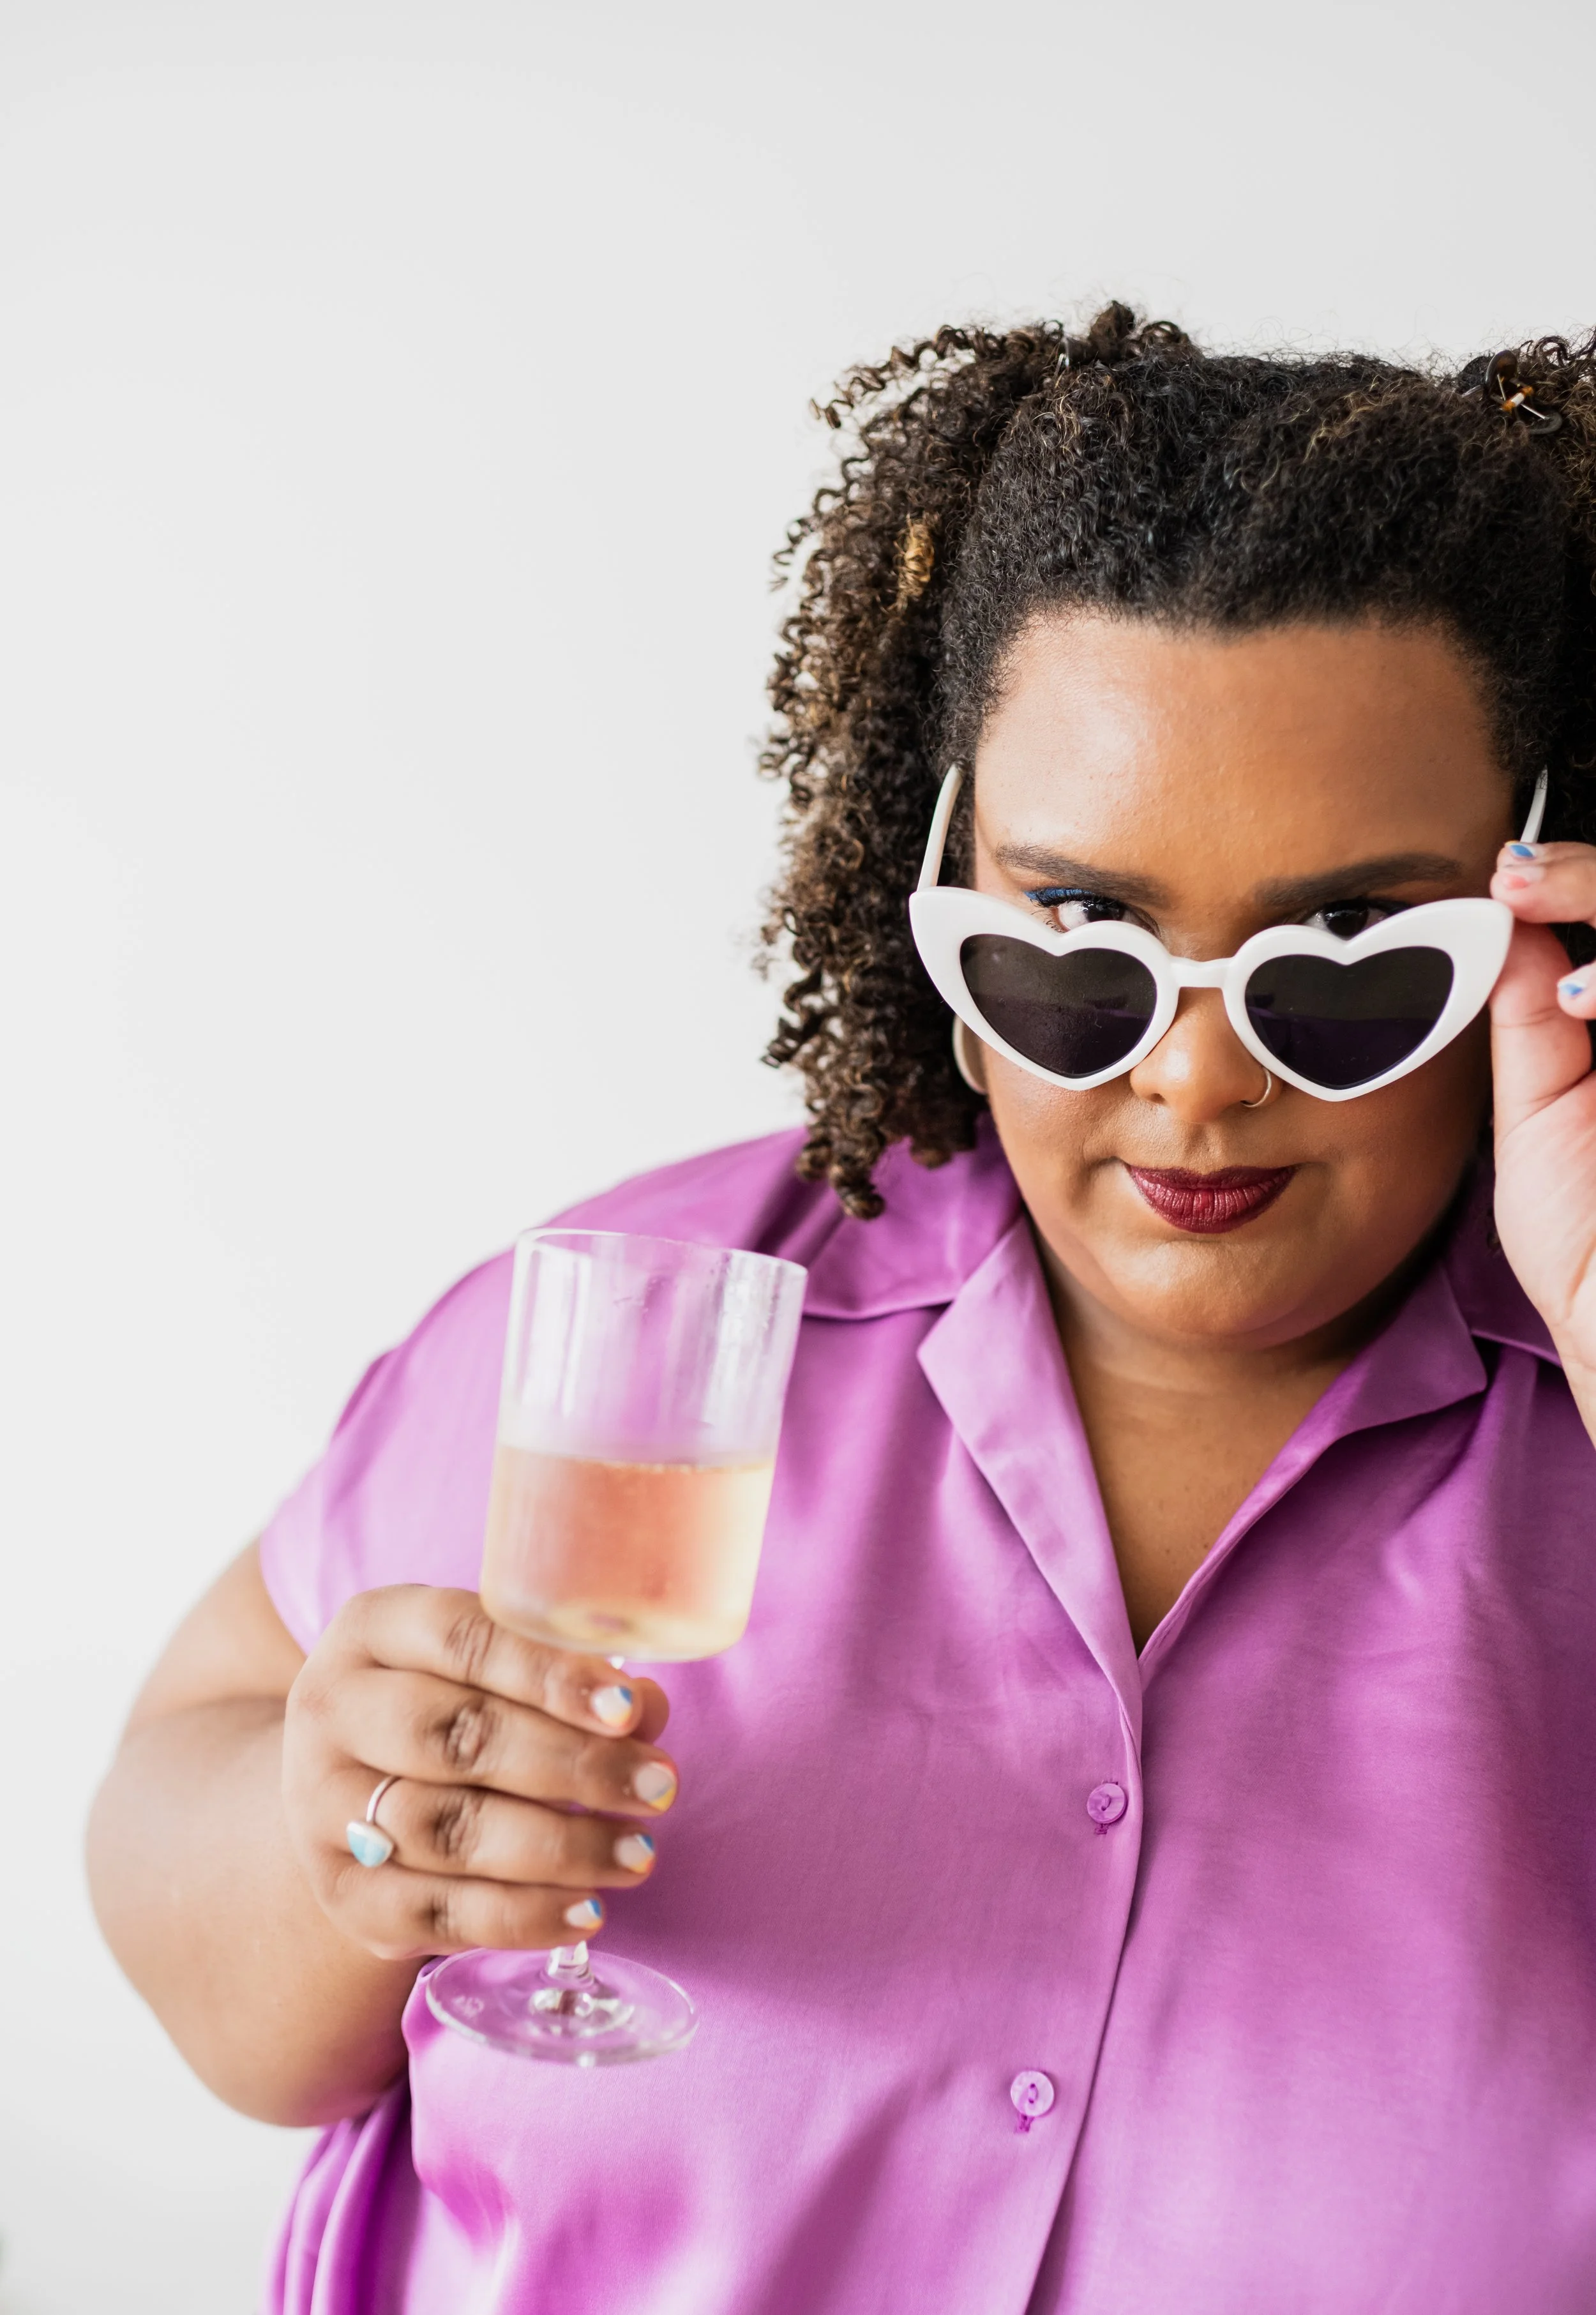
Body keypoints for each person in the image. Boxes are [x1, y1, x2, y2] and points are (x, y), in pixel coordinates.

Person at [89, 306, 1596, 2314]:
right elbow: (223, 1948)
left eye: (1345, 962)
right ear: (935, 890)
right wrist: (338, 1845)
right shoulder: (642, 1336)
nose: (1196, 1081)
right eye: (1076, 944)